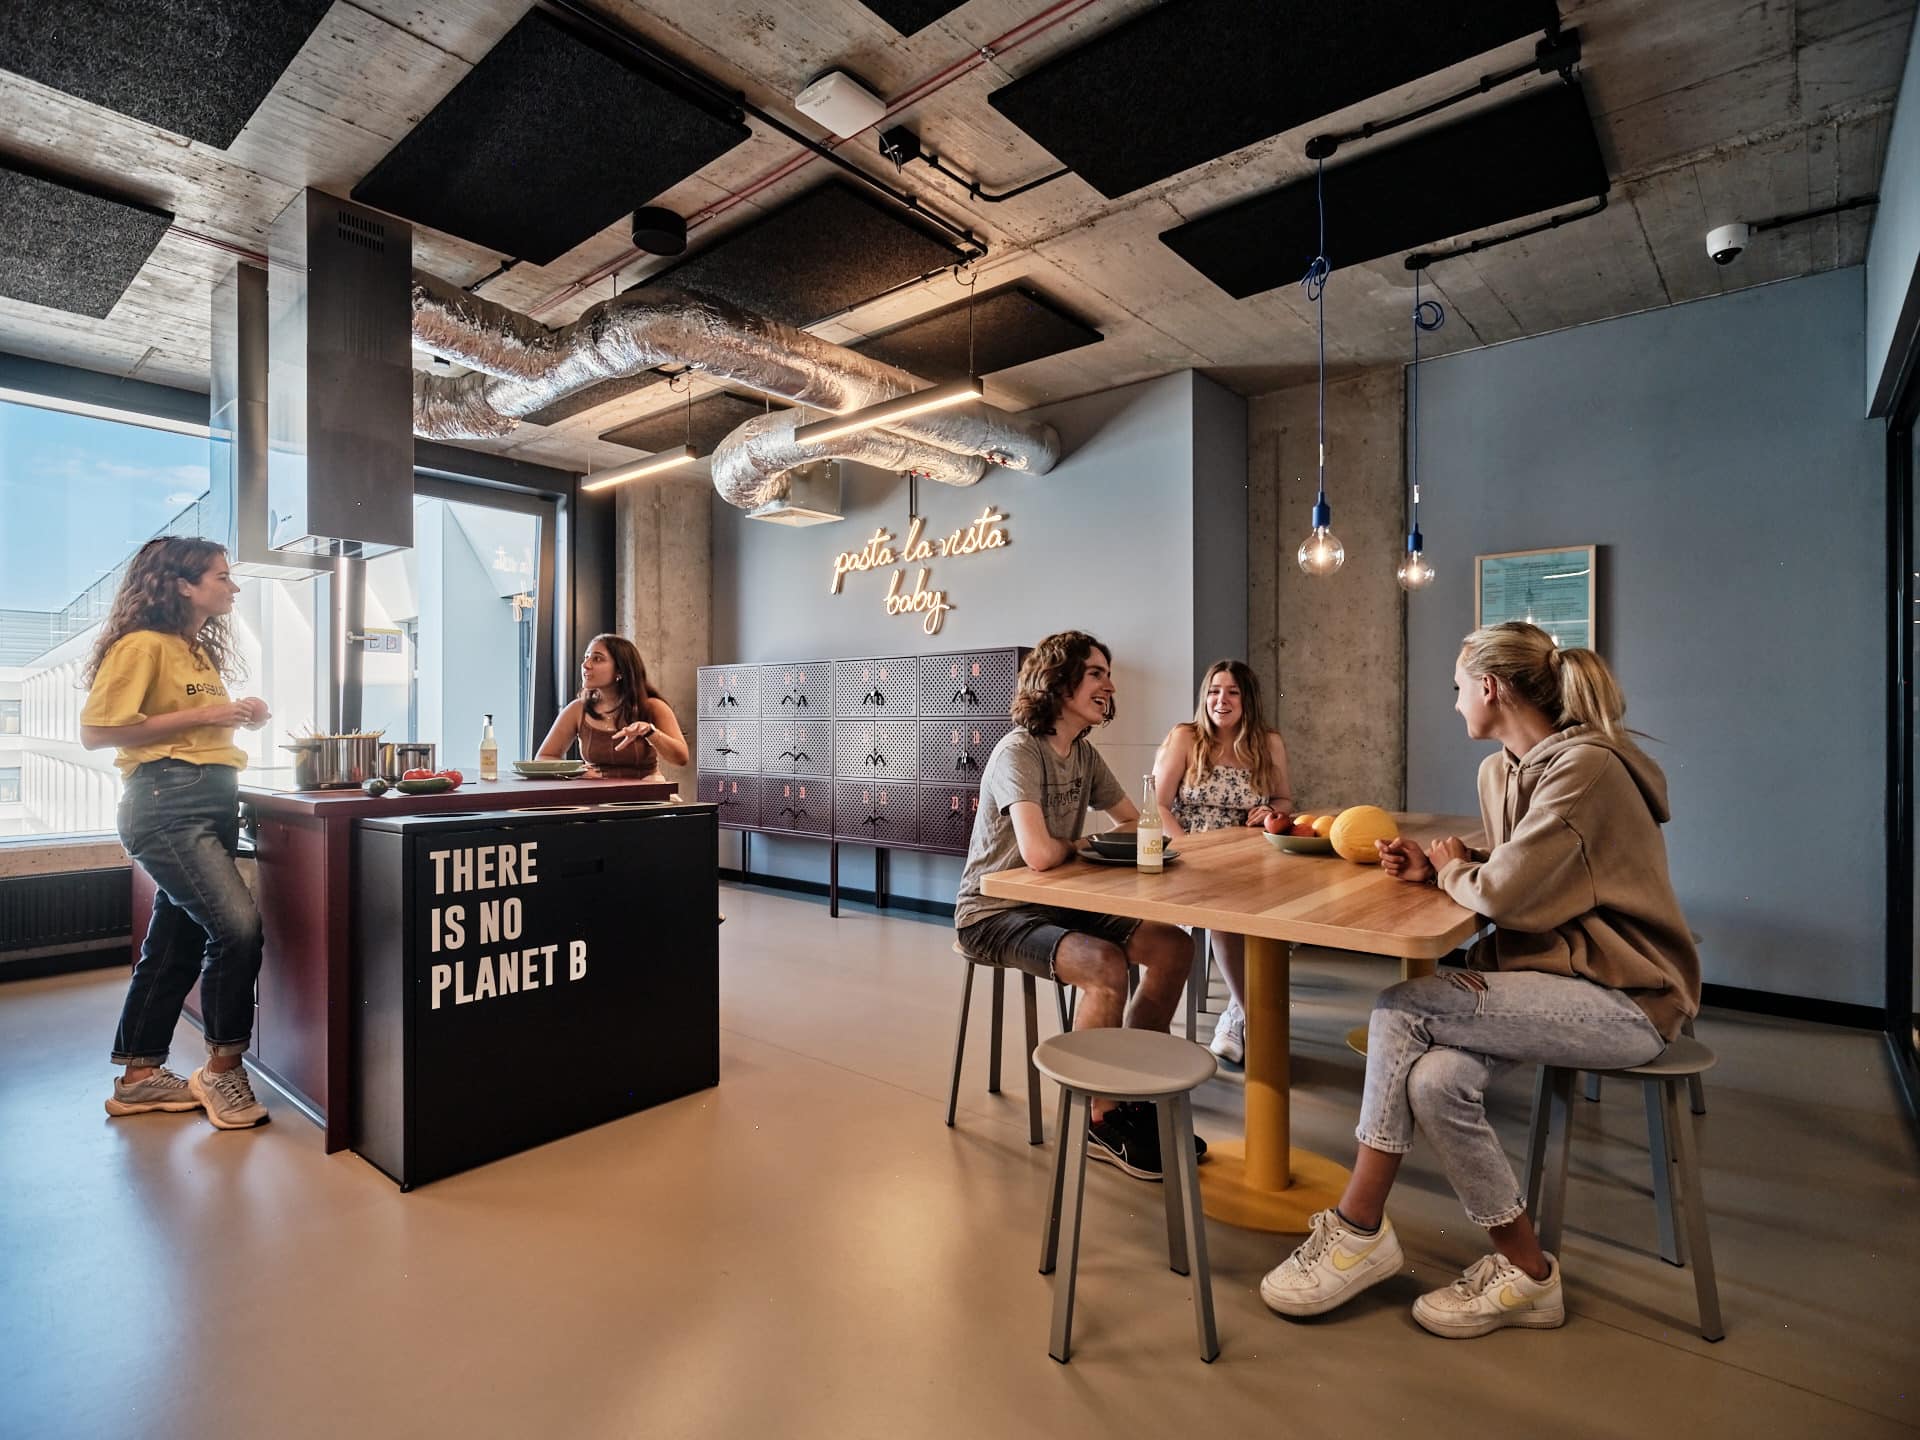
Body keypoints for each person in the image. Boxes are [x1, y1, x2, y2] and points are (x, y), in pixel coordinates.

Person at [1259, 621, 1698, 1338]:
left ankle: (1357, 1229)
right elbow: (1525, 866)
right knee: (1433, 1081)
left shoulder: (1588, 769)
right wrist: (1457, 861)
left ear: (1490, 688)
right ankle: (1529, 1274)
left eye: (1459, 687)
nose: (1456, 701)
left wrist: (1455, 869)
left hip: (1625, 1001)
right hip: (1550, 985)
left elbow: (1505, 894)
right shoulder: (1503, 768)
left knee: (1401, 1009)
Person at [954, 630, 1205, 1182]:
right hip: (992, 913)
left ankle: (1132, 1082)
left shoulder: (1084, 755)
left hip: (1053, 907)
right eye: (1097, 673)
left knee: (1172, 947)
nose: (1109, 686)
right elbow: (1040, 854)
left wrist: (1182, 847)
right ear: (1058, 679)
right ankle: (1099, 1116)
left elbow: (1132, 819)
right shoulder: (1017, 751)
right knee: (1104, 964)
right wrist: (1083, 845)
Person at [79, 537, 274, 1129]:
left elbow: (198, 725)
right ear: (183, 584)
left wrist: (243, 713)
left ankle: (139, 1079)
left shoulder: (193, 651)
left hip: (208, 798)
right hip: (167, 802)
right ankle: (222, 1070)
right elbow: (97, 731)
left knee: (175, 944)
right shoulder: (141, 646)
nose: (232, 586)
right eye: (221, 576)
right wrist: (210, 714)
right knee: (239, 930)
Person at [1152, 659, 1293, 1064]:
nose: (1221, 699)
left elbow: (1283, 801)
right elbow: (1158, 806)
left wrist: (1269, 813)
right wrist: (1189, 853)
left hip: (1249, 855)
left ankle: (1236, 1012)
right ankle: (1255, 1018)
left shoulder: (1268, 743)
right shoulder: (1186, 737)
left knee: (1278, 917)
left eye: (1232, 691)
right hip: (1187, 855)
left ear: (1247, 699)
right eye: (1214, 691)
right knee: (1226, 914)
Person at [537, 633, 688, 778]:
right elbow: (544, 757)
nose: (585, 665)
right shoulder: (577, 709)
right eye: (586, 657)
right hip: (595, 795)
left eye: (597, 659)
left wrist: (650, 732)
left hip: (646, 795)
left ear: (620, 670)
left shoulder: (653, 707)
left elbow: (681, 758)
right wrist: (576, 771)